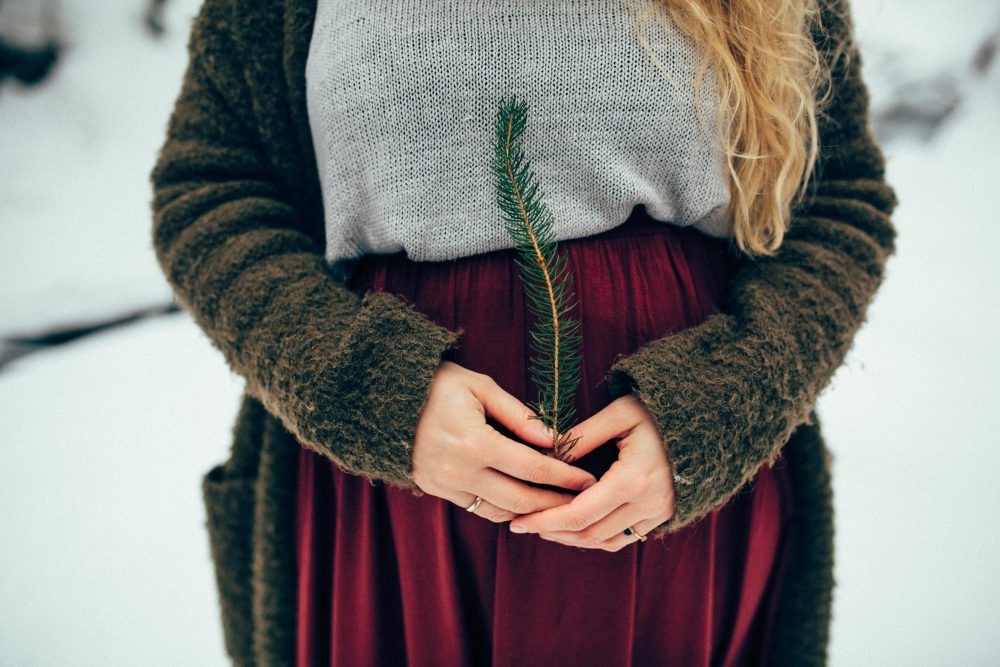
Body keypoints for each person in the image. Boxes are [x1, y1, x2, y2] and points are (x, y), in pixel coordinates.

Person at [150, 0, 897, 664]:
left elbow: (840, 200)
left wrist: (725, 405)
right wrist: (370, 389)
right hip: (395, 514)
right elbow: (211, 187)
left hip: (684, 518)